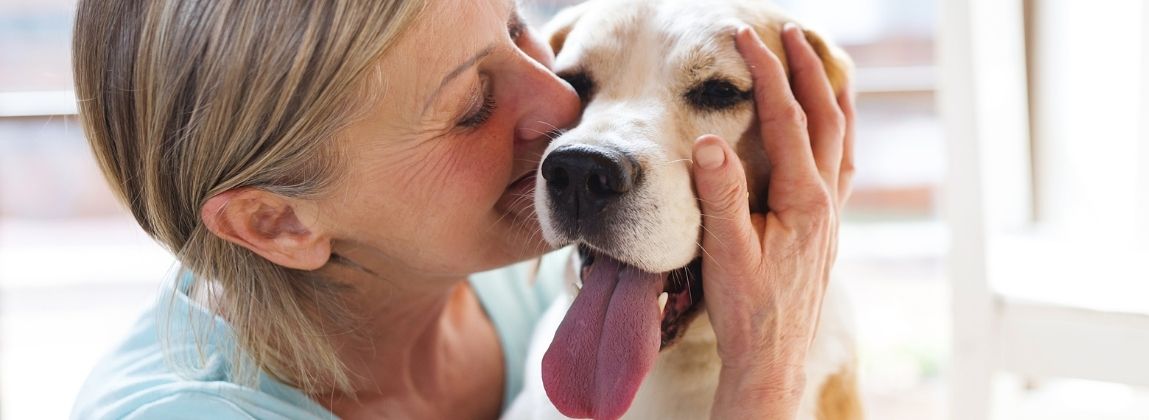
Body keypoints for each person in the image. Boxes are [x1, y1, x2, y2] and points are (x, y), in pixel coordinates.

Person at [69, 0, 855, 418]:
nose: (561, 111)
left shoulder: (508, 280)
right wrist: (762, 383)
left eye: (518, 33)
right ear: (280, 223)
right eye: (473, 104)